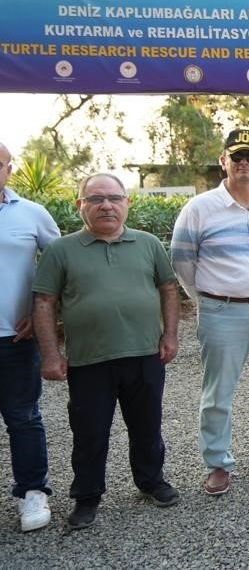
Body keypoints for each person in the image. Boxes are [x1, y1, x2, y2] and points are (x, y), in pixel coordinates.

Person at [33, 173, 180, 530]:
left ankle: (151, 481)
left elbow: (169, 289)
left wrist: (171, 335)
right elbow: (43, 302)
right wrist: (51, 356)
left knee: (147, 426)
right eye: (95, 199)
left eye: (114, 198)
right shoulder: (60, 250)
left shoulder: (147, 244)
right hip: (89, 360)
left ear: (127, 203)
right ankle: (87, 496)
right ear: (79, 205)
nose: (106, 205)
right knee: (89, 432)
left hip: (144, 354)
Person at [170, 128, 249, 496]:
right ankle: (218, 463)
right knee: (218, 392)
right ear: (223, 161)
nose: (244, 163)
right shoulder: (199, 208)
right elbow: (181, 262)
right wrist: (208, 298)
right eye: (236, 157)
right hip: (223, 311)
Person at [0, 143, 59, 532]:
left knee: (23, 418)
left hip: (14, 339)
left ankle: (32, 491)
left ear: (9, 168)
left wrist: (44, 315)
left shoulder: (31, 214)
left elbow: (63, 268)